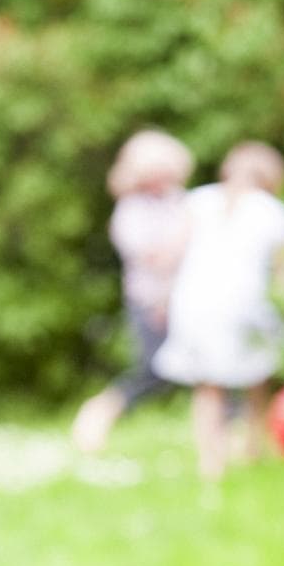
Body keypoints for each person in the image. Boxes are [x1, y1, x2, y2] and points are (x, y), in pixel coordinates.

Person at [153, 141, 284, 480]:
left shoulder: (198, 199)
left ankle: (210, 464)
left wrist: (161, 299)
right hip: (243, 303)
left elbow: (173, 254)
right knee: (257, 376)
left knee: (207, 386)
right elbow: (283, 274)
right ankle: (252, 448)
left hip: (194, 302)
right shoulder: (272, 210)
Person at [72, 130, 194, 453]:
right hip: (150, 301)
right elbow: (154, 259)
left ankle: (229, 436)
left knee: (210, 366)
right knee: (153, 372)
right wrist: (183, 240)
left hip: (185, 299)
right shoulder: (130, 211)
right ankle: (100, 412)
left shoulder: (177, 200)